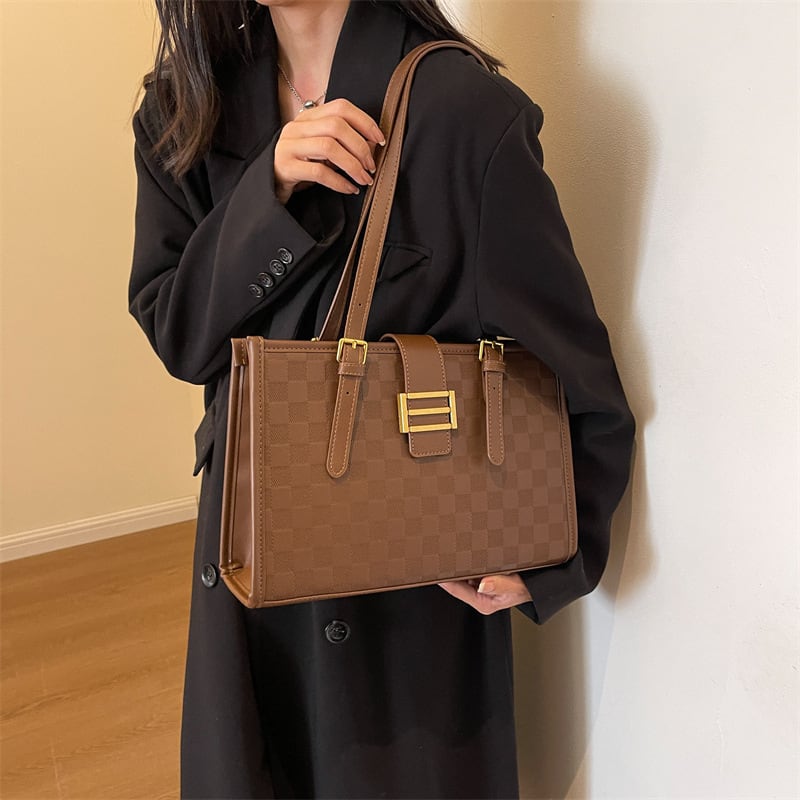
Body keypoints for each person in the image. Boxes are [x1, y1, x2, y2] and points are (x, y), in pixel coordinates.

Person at [129, 0, 635, 797]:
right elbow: (179, 335)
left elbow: (574, 367)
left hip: (397, 590)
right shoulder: (184, 108)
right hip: (243, 551)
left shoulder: (461, 114)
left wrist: (555, 556)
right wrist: (268, 190)